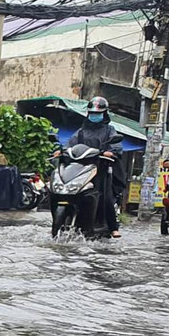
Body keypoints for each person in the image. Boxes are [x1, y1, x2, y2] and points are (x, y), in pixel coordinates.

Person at [63, 95, 124, 237]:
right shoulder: (81, 131)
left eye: (97, 114)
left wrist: (111, 152)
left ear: (104, 114)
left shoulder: (109, 130)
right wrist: (62, 150)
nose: (94, 116)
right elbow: (70, 143)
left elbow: (116, 146)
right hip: (81, 169)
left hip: (101, 169)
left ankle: (113, 227)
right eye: (91, 113)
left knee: (106, 197)